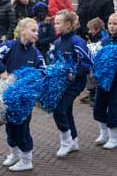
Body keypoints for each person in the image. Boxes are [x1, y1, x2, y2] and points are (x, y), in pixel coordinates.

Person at [0, 18, 45, 171]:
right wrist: (1, 70)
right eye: (33, 30)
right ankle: (15, 153)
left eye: (37, 31)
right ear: (22, 31)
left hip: (25, 99)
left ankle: (27, 159)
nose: (36, 33)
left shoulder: (36, 54)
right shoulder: (9, 46)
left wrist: (32, 84)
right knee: (10, 126)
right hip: (7, 95)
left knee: (22, 127)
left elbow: (43, 71)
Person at [50, 10, 93, 157]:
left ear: (67, 24)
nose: (54, 25)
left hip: (76, 83)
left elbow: (88, 62)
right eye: (54, 22)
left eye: (57, 23)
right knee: (66, 110)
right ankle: (73, 141)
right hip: (62, 83)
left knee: (59, 110)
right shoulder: (56, 43)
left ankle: (66, 142)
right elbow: (54, 63)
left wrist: (73, 74)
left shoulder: (77, 41)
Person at [93, 13, 117, 149]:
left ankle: (113, 137)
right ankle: (103, 133)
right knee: (99, 106)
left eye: (115, 24)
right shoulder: (104, 40)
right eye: (110, 23)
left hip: (116, 82)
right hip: (103, 81)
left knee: (114, 108)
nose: (112, 26)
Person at [80, 17, 108, 106]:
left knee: (93, 76)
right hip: (97, 60)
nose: (89, 32)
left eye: (90, 29)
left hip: (101, 62)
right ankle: (92, 93)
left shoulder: (102, 37)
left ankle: (95, 95)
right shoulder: (98, 35)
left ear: (97, 29)